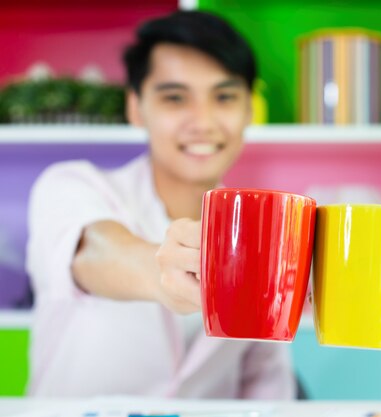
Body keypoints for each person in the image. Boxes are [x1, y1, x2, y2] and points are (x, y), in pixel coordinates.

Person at [26, 11, 295, 398]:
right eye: (175, 98)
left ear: (249, 110)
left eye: (224, 97)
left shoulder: (262, 237)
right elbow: (91, 252)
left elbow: (266, 389)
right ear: (136, 108)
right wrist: (163, 274)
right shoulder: (71, 186)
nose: (202, 122)